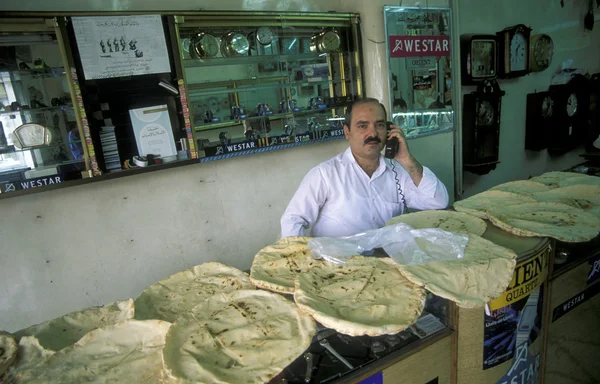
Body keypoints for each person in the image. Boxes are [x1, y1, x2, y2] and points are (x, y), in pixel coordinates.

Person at [280, 97, 449, 238]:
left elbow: (438, 202)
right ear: (347, 132)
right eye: (362, 126)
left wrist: (407, 160)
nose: (373, 133)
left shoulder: (398, 171)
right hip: (340, 265)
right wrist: (303, 260)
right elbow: (293, 220)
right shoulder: (325, 174)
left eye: (380, 125)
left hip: (387, 261)